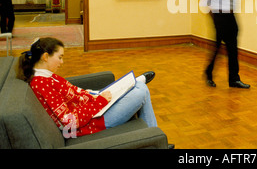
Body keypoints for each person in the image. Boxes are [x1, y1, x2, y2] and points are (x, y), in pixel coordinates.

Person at [16, 37, 158, 138]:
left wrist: (95, 95)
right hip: (92, 122)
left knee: (139, 88)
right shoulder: (42, 84)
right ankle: (155, 137)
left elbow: (74, 94)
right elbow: (68, 121)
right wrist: (99, 101)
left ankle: (154, 135)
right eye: (59, 57)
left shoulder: (47, 77)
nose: (62, 62)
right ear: (45, 57)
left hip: (93, 109)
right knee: (142, 92)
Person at [202, 0, 250, 89]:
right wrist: (215, 19)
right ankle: (208, 73)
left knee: (233, 49)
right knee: (217, 49)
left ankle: (234, 79)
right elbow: (205, 1)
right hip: (219, 17)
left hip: (231, 16)